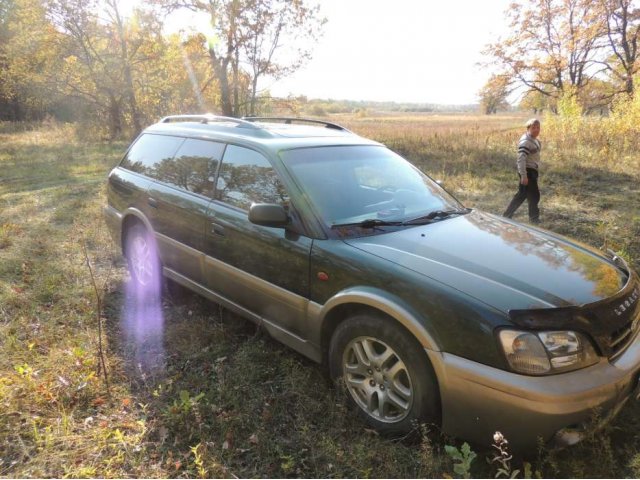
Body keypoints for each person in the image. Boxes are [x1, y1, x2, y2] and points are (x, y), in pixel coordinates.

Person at [503, 118, 541, 223]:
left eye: (538, 128)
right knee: (534, 195)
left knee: (522, 194)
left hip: (532, 171)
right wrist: (524, 176)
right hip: (527, 172)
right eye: (533, 128)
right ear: (528, 128)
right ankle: (534, 219)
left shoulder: (534, 140)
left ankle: (507, 216)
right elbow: (520, 160)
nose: (536, 130)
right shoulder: (525, 142)